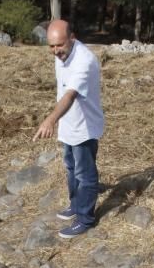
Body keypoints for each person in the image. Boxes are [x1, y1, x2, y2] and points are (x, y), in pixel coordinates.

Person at [33, 19, 104, 239]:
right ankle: (76, 204)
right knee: (71, 167)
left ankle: (85, 219)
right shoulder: (61, 55)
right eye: (51, 46)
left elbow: (70, 95)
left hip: (84, 126)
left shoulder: (84, 61)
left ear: (72, 38)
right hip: (69, 123)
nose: (55, 51)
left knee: (86, 174)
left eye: (59, 45)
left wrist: (50, 120)